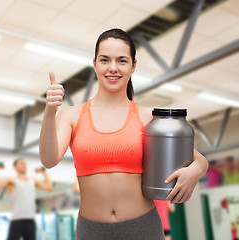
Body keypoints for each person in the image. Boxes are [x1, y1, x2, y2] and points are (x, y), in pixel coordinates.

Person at [39, 28, 208, 240]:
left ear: (133, 65)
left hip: (143, 228)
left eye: (122, 60)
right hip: (92, 231)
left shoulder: (148, 117)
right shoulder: (71, 115)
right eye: (104, 60)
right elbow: (49, 159)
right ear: (95, 64)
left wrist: (195, 171)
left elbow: (197, 159)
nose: (112, 68)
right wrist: (49, 111)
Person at [0, 157, 53, 240]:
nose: (24, 165)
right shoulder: (12, 180)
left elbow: (49, 187)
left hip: (30, 221)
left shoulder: (33, 180)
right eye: (21, 163)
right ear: (15, 167)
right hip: (17, 220)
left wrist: (44, 173)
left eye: (24, 163)